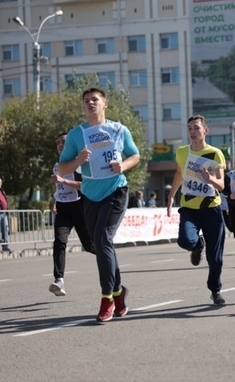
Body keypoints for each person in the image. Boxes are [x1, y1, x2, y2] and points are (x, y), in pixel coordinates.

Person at [59, 87, 140, 322]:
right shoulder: (76, 134)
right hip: (90, 194)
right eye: (86, 101)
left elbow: (135, 155)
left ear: (105, 104)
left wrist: (123, 166)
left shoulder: (118, 129)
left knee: (103, 238)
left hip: (115, 189)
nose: (90, 103)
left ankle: (107, 299)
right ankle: (118, 291)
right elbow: (63, 167)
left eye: (95, 99)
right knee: (100, 243)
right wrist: (77, 160)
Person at [166, 115, 227, 306]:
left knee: (215, 257)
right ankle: (197, 245)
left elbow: (222, 185)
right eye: (190, 128)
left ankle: (215, 290)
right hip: (189, 207)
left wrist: (210, 180)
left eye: (196, 128)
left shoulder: (215, 154)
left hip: (211, 208)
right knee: (185, 240)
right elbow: (179, 173)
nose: (192, 132)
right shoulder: (183, 152)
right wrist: (171, 196)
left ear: (205, 131)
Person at [49, 132, 96, 297]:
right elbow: (59, 188)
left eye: (63, 141)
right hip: (63, 209)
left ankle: (108, 256)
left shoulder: (79, 164)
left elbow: (85, 186)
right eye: (58, 142)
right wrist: (55, 201)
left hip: (79, 208)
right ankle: (59, 280)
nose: (60, 145)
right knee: (59, 242)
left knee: (89, 246)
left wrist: (63, 181)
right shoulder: (57, 165)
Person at [0, 178, 10, 252]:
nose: (0, 184)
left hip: (4, 213)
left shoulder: (2, 191)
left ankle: (5, 246)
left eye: (0, 182)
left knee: (5, 229)